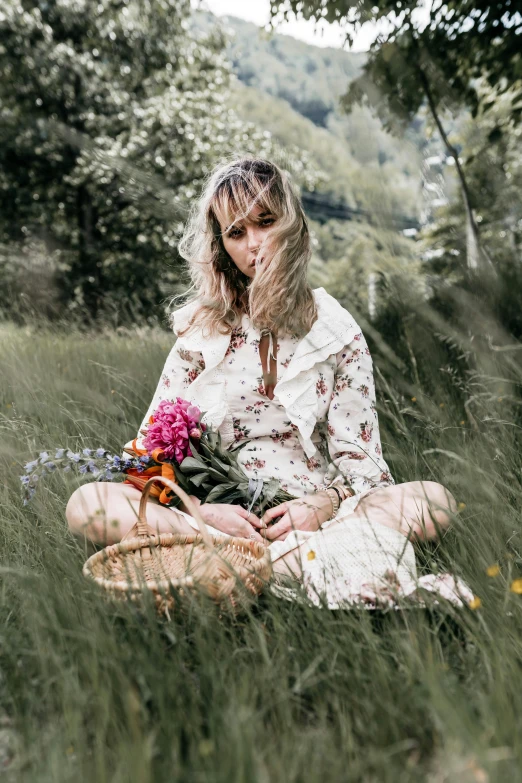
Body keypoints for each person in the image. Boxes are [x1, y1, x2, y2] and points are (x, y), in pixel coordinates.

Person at [66, 157, 461, 607]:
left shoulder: (335, 330)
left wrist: (324, 504)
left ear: (290, 224)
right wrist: (199, 513)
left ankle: (247, 569)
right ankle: (275, 564)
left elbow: (363, 465)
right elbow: (146, 458)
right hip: (215, 520)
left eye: (265, 222)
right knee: (87, 503)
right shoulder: (201, 333)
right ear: (222, 247)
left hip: (312, 516)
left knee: (434, 501)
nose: (254, 244)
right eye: (236, 232)